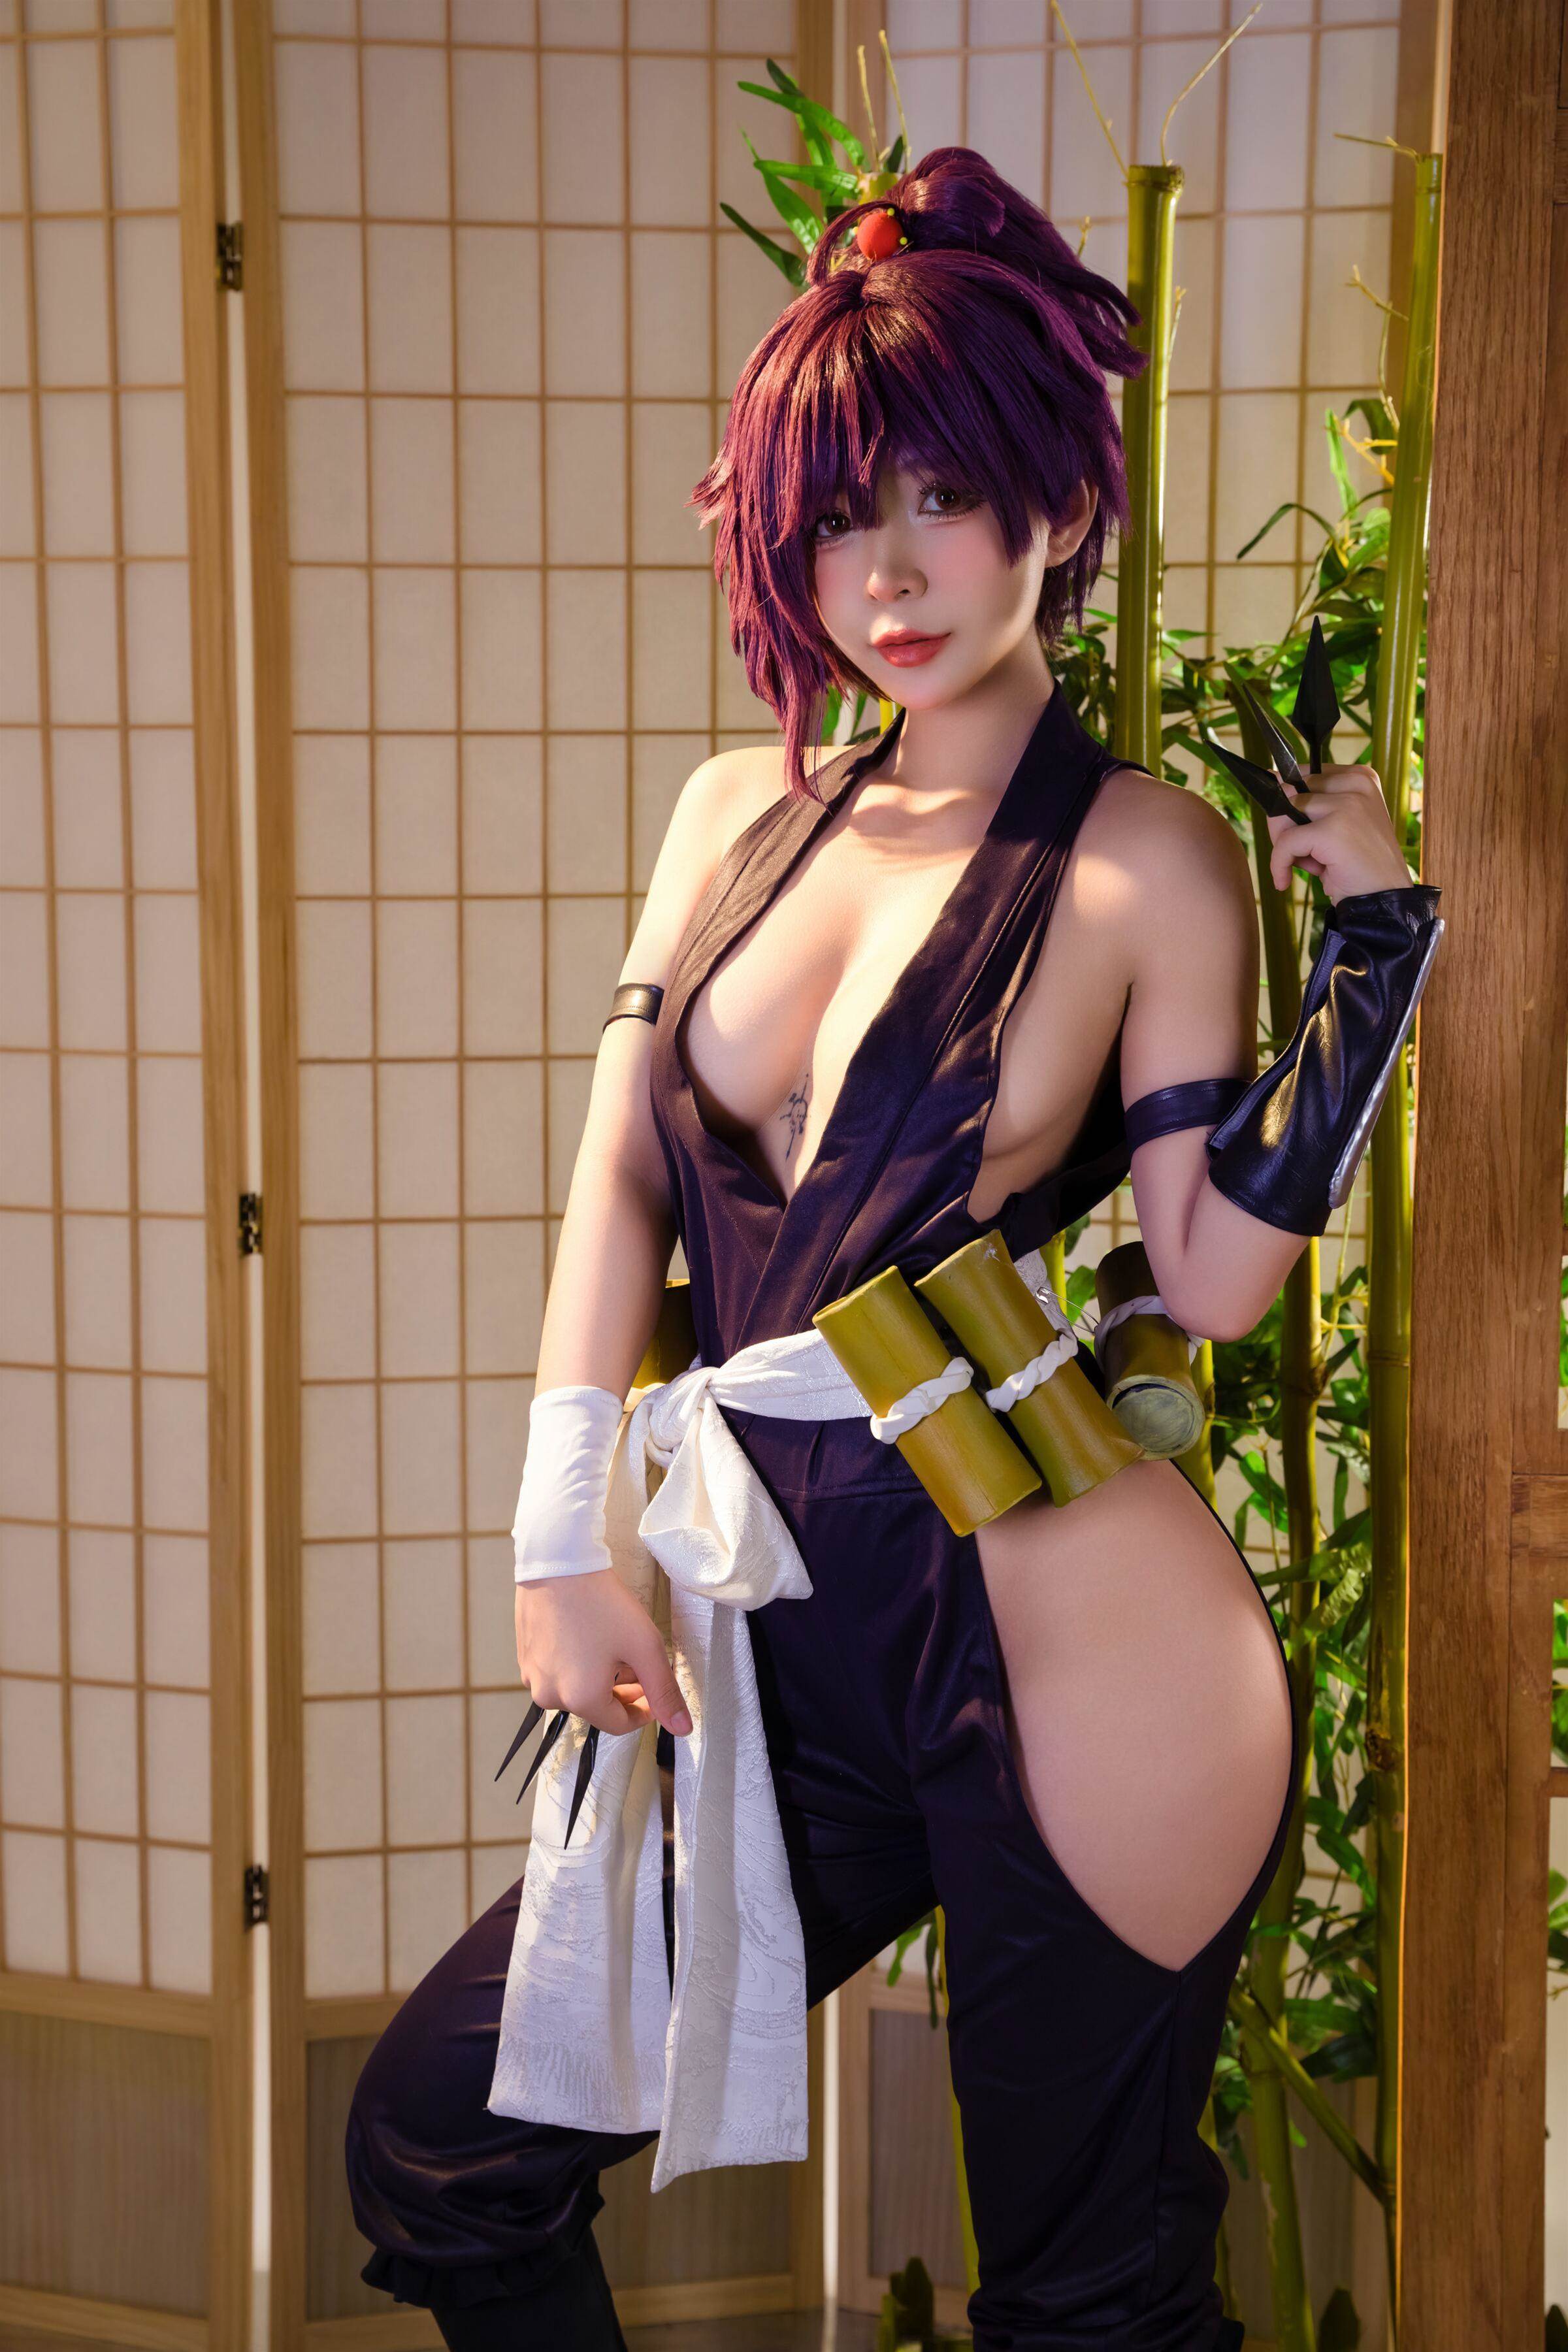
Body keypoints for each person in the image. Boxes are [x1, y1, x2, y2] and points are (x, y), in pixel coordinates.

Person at [344, 148, 1441, 2351]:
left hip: (1070, 1639)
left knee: (1090, 2308)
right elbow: (622, 1172)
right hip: (776, 1630)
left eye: (947, 495)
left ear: (1053, 496)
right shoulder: (728, 815)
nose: (896, 569)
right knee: (443, 2150)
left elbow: (1211, 1281)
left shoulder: (1146, 860)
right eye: (844, 516)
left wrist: (1377, 956)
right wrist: (562, 1535)